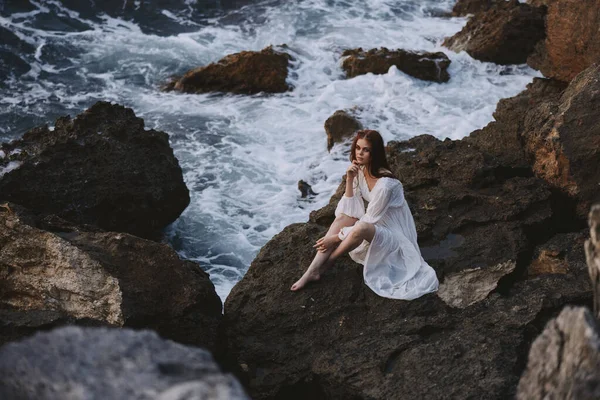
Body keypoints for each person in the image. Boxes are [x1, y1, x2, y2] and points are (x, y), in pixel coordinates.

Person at [291, 129, 439, 300]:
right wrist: (350, 178)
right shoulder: (360, 170)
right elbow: (349, 206)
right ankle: (311, 271)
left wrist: (335, 238)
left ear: (374, 153)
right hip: (376, 226)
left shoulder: (386, 185)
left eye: (366, 150)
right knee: (342, 218)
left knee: (359, 226)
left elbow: (370, 219)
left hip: (394, 238)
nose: (360, 153)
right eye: (358, 148)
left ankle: (329, 261)